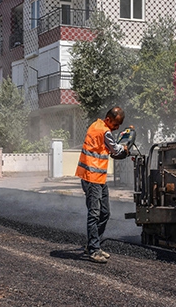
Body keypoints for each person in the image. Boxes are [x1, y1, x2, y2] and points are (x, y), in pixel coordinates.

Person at [75, 106, 130, 263]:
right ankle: (93, 250)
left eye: (119, 125)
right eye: (115, 124)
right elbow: (115, 149)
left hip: (98, 177)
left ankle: (93, 244)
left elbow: (106, 147)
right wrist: (125, 148)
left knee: (104, 213)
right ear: (108, 120)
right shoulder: (104, 131)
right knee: (94, 214)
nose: (117, 128)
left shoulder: (96, 125)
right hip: (92, 177)